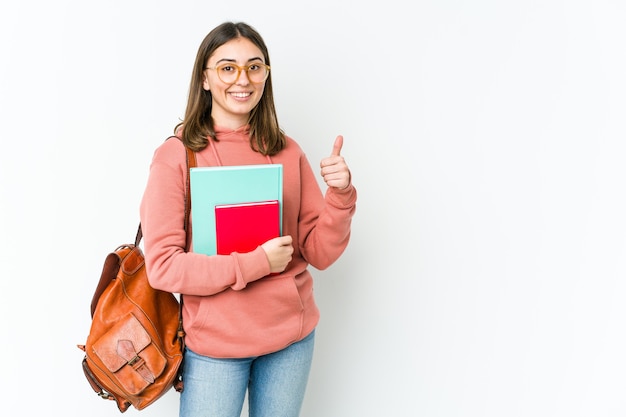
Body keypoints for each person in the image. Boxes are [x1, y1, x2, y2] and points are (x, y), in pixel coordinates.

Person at [139, 21, 357, 417]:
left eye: (255, 67)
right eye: (227, 67)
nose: (243, 79)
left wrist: (340, 198)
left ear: (266, 75)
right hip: (215, 350)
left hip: (291, 342)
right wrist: (257, 263)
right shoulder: (176, 157)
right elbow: (163, 267)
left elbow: (319, 253)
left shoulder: (287, 151)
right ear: (204, 78)